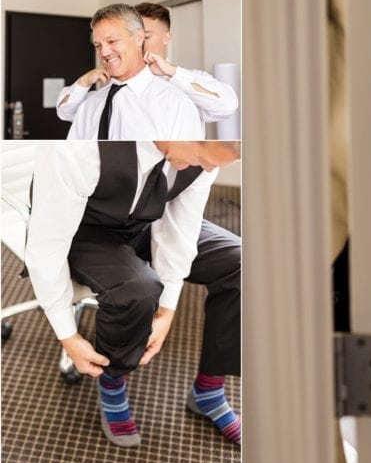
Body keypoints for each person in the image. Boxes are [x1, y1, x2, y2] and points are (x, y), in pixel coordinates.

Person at [25, 141, 241, 447]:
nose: (207, 169)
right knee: (137, 289)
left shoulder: (202, 152)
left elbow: (180, 226)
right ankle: (112, 381)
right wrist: (68, 336)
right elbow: (47, 243)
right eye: (204, 159)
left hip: (146, 221)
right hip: (83, 227)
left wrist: (167, 309)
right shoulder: (79, 146)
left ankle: (209, 390)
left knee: (241, 262)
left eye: (215, 164)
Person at [57, 2, 238, 125]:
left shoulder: (186, 84)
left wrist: (172, 73)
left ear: (166, 37)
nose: (140, 43)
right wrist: (83, 82)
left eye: (146, 36)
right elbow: (66, 112)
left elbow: (227, 105)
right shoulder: (113, 85)